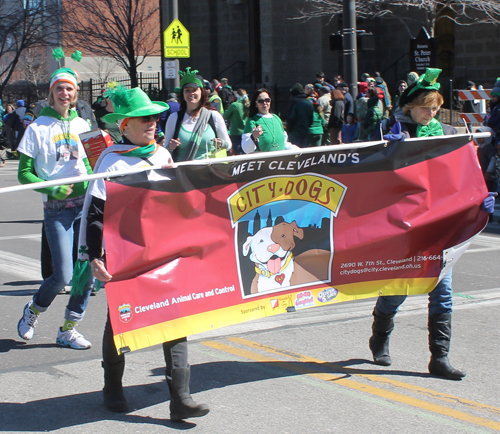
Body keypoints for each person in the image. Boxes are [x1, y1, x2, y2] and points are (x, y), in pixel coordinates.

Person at [78, 85, 209, 420]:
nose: (152, 121)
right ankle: (112, 387)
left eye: (153, 116)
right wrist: (95, 256)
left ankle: (181, 396)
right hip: (124, 256)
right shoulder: (110, 161)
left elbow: (176, 204)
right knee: (120, 322)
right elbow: (95, 212)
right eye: (143, 117)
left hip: (162, 253)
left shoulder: (163, 155)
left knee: (174, 316)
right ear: (125, 126)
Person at [369, 68, 495, 380]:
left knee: (442, 288)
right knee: (398, 288)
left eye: (436, 105)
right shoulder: (390, 131)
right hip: (406, 224)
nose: (432, 111)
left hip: (442, 223)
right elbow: (372, 180)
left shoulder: (448, 134)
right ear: (409, 106)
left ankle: (439, 358)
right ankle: (380, 336)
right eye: (426, 105)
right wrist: (388, 154)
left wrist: (481, 198)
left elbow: (465, 174)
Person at [16, 67, 94, 349]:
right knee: (63, 275)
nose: (65, 93)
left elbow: (88, 162)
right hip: (57, 210)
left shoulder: (82, 126)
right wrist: (52, 187)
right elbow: (24, 173)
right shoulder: (37, 128)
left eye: (70, 89)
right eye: (59, 88)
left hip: (86, 207)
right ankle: (33, 310)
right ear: (51, 93)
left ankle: (68, 330)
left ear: (75, 95)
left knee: (86, 274)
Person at [165, 67, 231, 161]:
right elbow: (165, 150)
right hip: (183, 173)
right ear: (182, 94)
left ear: (201, 92)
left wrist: (221, 143)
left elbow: (228, 144)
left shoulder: (214, 116)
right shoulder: (174, 118)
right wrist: (170, 147)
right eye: (187, 90)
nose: (191, 93)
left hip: (210, 172)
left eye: (194, 90)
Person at [241, 88, 299, 153]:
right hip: (264, 162)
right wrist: (253, 137)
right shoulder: (252, 121)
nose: (265, 103)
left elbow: (284, 143)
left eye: (267, 100)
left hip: (281, 161)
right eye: (261, 101)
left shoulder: (277, 118)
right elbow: (246, 150)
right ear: (256, 104)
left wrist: (298, 150)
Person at [224, 88, 250, 155]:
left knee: (237, 153)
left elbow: (225, 117)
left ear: (237, 96)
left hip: (236, 133)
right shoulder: (249, 105)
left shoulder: (234, 105)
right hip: (247, 132)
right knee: (247, 152)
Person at [287, 83, 313, 148]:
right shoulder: (308, 103)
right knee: (304, 152)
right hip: (305, 131)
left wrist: (289, 129)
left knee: (294, 152)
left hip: (295, 132)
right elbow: (311, 119)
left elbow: (291, 118)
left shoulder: (294, 102)